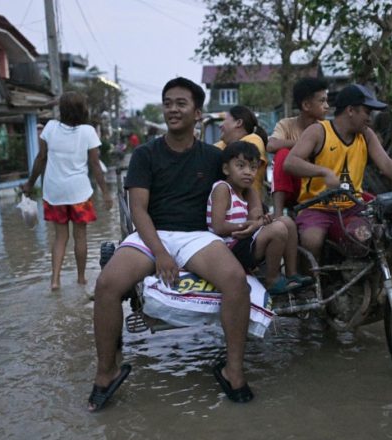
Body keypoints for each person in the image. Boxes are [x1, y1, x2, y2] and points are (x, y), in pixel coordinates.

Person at [89, 77, 256, 411]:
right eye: (167, 103)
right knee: (107, 284)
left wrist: (258, 218)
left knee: (237, 281)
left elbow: (248, 183)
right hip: (152, 233)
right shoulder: (145, 154)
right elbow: (138, 210)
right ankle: (106, 371)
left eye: (181, 103)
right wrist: (161, 254)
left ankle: (233, 370)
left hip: (197, 236)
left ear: (197, 112)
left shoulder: (214, 158)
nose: (172, 109)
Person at [284, 84, 392, 260]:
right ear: (350, 110)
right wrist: (324, 172)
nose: (369, 119)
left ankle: (367, 282)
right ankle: (311, 284)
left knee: (375, 236)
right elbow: (290, 163)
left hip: (352, 207)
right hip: (316, 207)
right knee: (312, 240)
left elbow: (386, 163)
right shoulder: (318, 131)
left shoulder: (366, 135)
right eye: (367, 113)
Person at [22, 91, 112, 291]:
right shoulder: (88, 131)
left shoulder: (50, 128)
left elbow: (40, 159)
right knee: (80, 236)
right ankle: (81, 279)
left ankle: (55, 280)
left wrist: (30, 184)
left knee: (60, 237)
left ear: (61, 109)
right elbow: (96, 165)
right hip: (79, 192)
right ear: (82, 110)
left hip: (54, 192)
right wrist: (105, 192)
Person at [207, 141, 311, 295]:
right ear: (226, 169)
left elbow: (256, 217)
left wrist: (260, 221)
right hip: (228, 249)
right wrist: (250, 226)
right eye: (241, 166)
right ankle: (272, 280)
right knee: (278, 229)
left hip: (245, 241)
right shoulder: (223, 189)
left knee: (287, 222)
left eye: (253, 167)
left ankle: (292, 274)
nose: (248, 172)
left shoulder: (248, 191)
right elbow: (218, 227)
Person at [267, 77, 330, 218]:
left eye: (327, 100)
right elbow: (271, 146)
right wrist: (305, 144)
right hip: (294, 188)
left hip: (320, 188)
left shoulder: (328, 128)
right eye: (322, 101)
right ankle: (277, 216)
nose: (327, 105)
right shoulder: (287, 125)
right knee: (282, 154)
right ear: (306, 105)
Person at [216, 105, 269, 199]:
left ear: (238, 122)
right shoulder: (225, 144)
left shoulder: (253, 139)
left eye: (225, 120)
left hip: (249, 207)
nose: (220, 125)